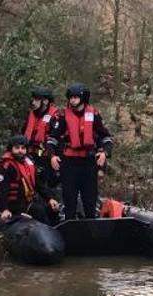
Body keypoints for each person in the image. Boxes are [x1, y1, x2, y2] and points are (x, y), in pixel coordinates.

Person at [46, 82, 113, 219]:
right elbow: (52, 139)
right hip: (69, 163)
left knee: (90, 201)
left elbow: (105, 137)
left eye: (75, 97)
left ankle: (91, 231)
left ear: (83, 98)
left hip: (88, 163)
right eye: (71, 97)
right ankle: (70, 229)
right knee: (69, 201)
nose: (72, 100)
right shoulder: (63, 116)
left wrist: (104, 153)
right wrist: (52, 156)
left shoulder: (93, 114)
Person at [0, 135, 60, 224]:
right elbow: (2, 188)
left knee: (52, 210)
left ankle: (56, 233)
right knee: (39, 212)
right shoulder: (6, 166)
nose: (20, 151)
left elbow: (38, 184)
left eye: (23, 148)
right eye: (17, 148)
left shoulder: (28, 164)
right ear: (11, 149)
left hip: (26, 201)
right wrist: (4, 209)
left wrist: (50, 199)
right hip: (13, 204)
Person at [22, 86, 58, 161]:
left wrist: (52, 155)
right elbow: (23, 133)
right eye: (33, 99)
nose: (33, 102)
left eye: (37, 100)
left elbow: (56, 139)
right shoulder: (30, 115)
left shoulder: (55, 116)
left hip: (47, 157)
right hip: (29, 155)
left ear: (45, 101)